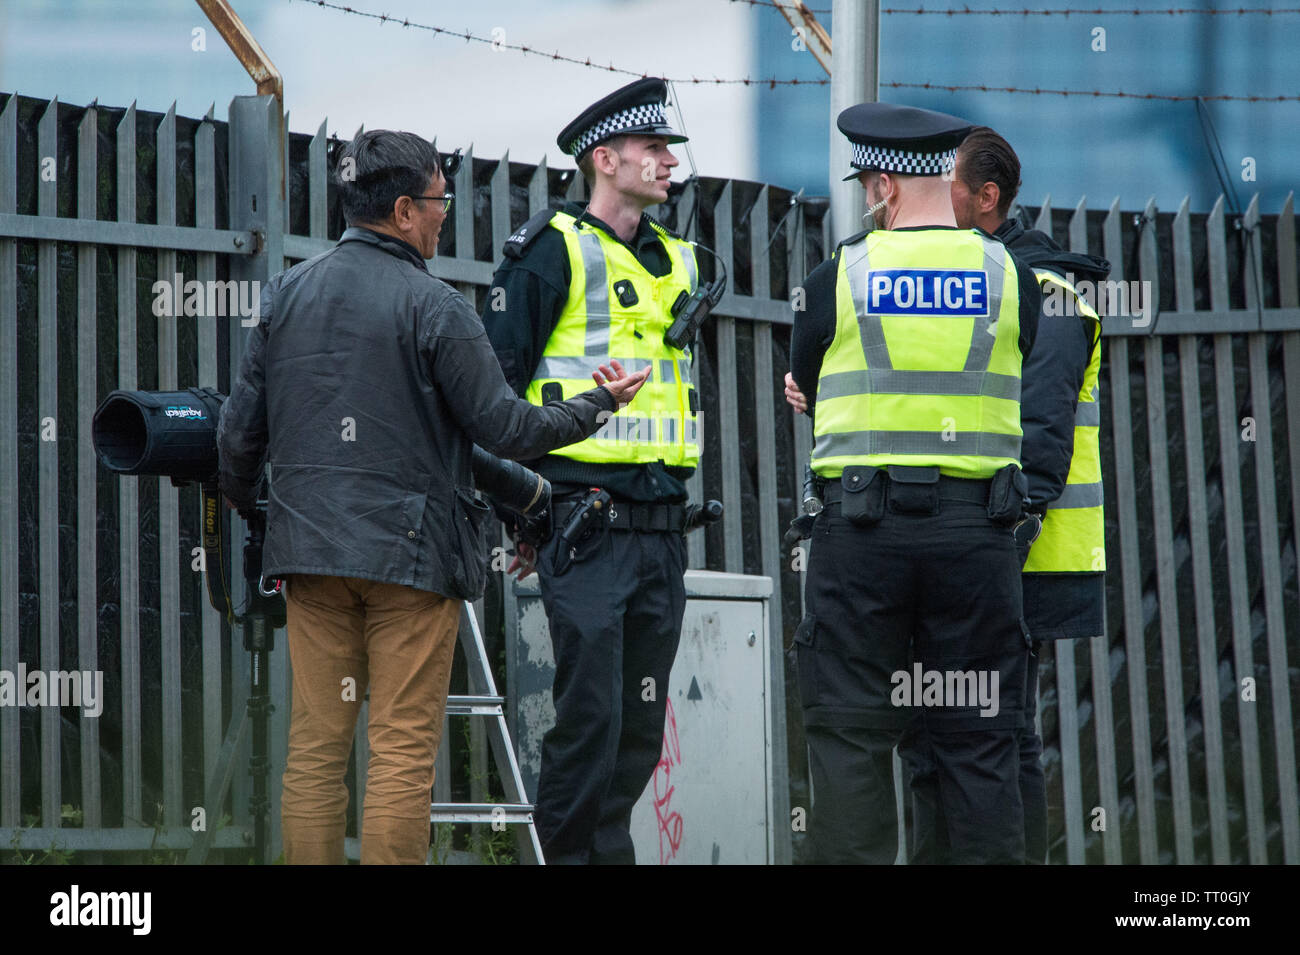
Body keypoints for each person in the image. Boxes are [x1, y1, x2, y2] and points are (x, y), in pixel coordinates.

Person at [216, 129, 649, 865]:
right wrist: (594, 404)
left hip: (311, 556)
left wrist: (260, 514)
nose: (447, 214)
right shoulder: (436, 306)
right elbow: (506, 429)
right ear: (406, 209)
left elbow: (236, 440)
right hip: (411, 560)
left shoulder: (285, 294)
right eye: (442, 200)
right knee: (401, 750)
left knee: (316, 749)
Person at [785, 102, 1042, 864]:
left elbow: (806, 376)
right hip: (978, 540)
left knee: (852, 737)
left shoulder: (841, 274)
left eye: (868, 182)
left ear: (887, 186)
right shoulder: (1008, 273)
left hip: (863, 534)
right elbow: (1017, 356)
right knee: (978, 742)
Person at [482, 77, 709, 864]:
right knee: (591, 720)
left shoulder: (677, 260)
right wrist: (522, 515)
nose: (667, 163)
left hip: (662, 529)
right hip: (584, 523)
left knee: (640, 728)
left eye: (668, 150)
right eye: (654, 149)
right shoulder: (550, 249)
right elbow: (494, 398)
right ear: (605, 159)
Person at [899, 126, 1110, 864]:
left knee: (998, 731)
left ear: (987, 199)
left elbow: (1041, 448)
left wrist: (988, 549)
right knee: (943, 732)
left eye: (945, 183)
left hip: (1023, 557)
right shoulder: (971, 281)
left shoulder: (1047, 296)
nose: (928, 197)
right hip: (973, 554)